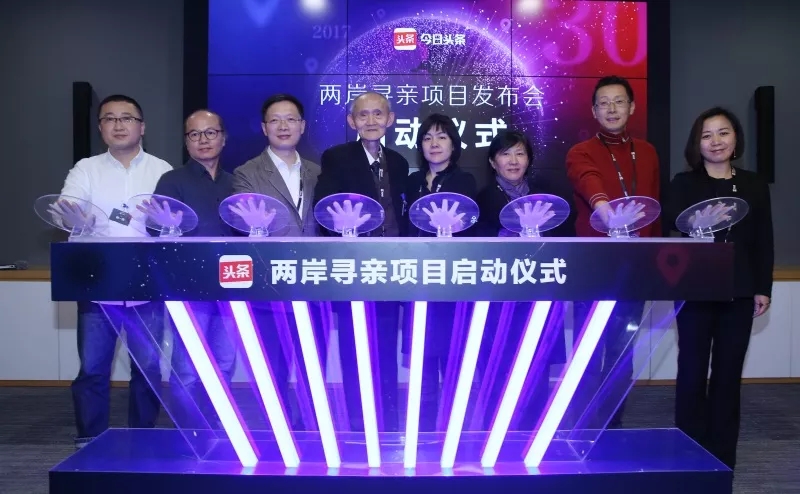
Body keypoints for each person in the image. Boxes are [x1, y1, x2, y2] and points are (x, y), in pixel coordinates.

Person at [59, 94, 173, 448]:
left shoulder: (163, 171)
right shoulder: (85, 169)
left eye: (127, 118)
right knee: (92, 368)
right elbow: (68, 209)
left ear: (142, 127)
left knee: (148, 369)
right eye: (110, 118)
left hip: (146, 283)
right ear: (101, 127)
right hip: (98, 282)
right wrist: (75, 217)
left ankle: (142, 437)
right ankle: (89, 439)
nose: (119, 125)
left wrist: (164, 224)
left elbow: (173, 227)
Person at [666, 107, 774, 470]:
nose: (716, 141)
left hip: (738, 291)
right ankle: (687, 453)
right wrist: (697, 223)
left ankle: (722, 458)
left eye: (723, 133)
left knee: (728, 375)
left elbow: (764, 240)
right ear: (696, 143)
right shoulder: (684, 183)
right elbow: (672, 225)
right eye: (707, 135)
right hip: (695, 290)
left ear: (735, 138)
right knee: (691, 371)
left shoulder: (754, 184)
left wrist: (763, 287)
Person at [564, 75, 661, 429]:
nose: (612, 109)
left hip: (633, 270)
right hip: (593, 269)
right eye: (604, 103)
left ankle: (611, 429)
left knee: (622, 356)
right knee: (588, 355)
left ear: (631, 107)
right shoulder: (580, 151)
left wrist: (653, 266)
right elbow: (587, 177)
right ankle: (582, 430)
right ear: (594, 111)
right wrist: (605, 210)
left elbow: (654, 211)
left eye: (619, 101)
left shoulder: (647, 152)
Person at [314, 91, 409, 432]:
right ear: (351, 121)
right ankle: (358, 420)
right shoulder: (337, 157)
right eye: (363, 115)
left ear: (390, 119)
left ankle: (388, 418)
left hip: (391, 269)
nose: (371, 121)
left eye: (378, 114)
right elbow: (325, 207)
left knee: (386, 343)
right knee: (355, 346)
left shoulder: (398, 162)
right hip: (353, 267)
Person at [232, 94, 322, 430]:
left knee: (313, 366)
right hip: (269, 287)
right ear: (263, 127)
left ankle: (315, 432)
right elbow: (240, 222)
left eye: (291, 119)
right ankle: (278, 432)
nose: (283, 126)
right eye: (275, 120)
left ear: (303, 125)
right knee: (274, 367)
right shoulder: (247, 173)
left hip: (313, 285)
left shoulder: (317, 172)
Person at [473, 130, 571, 431]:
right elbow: (478, 248)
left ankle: (532, 435)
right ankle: (496, 436)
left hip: (539, 296)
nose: (513, 160)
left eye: (520, 153)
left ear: (528, 159)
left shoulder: (546, 198)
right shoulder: (482, 199)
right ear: (493, 162)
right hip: (499, 300)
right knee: (497, 373)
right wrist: (514, 232)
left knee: (536, 371)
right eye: (505, 154)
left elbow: (564, 243)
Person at [145, 109, 236, 429]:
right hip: (188, 287)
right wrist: (166, 227)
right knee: (187, 367)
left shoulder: (236, 182)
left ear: (223, 138)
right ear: (186, 142)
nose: (203, 140)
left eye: (210, 132)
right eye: (195, 134)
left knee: (224, 363)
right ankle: (188, 431)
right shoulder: (171, 181)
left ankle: (218, 427)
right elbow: (154, 228)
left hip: (231, 286)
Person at [401, 113, 477, 431]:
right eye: (428, 137)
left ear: (454, 145)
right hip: (417, 281)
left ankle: (454, 429)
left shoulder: (465, 181)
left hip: (451, 284)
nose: (434, 143)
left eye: (442, 137)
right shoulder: (411, 182)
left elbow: (470, 231)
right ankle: (423, 430)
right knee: (422, 363)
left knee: (453, 360)